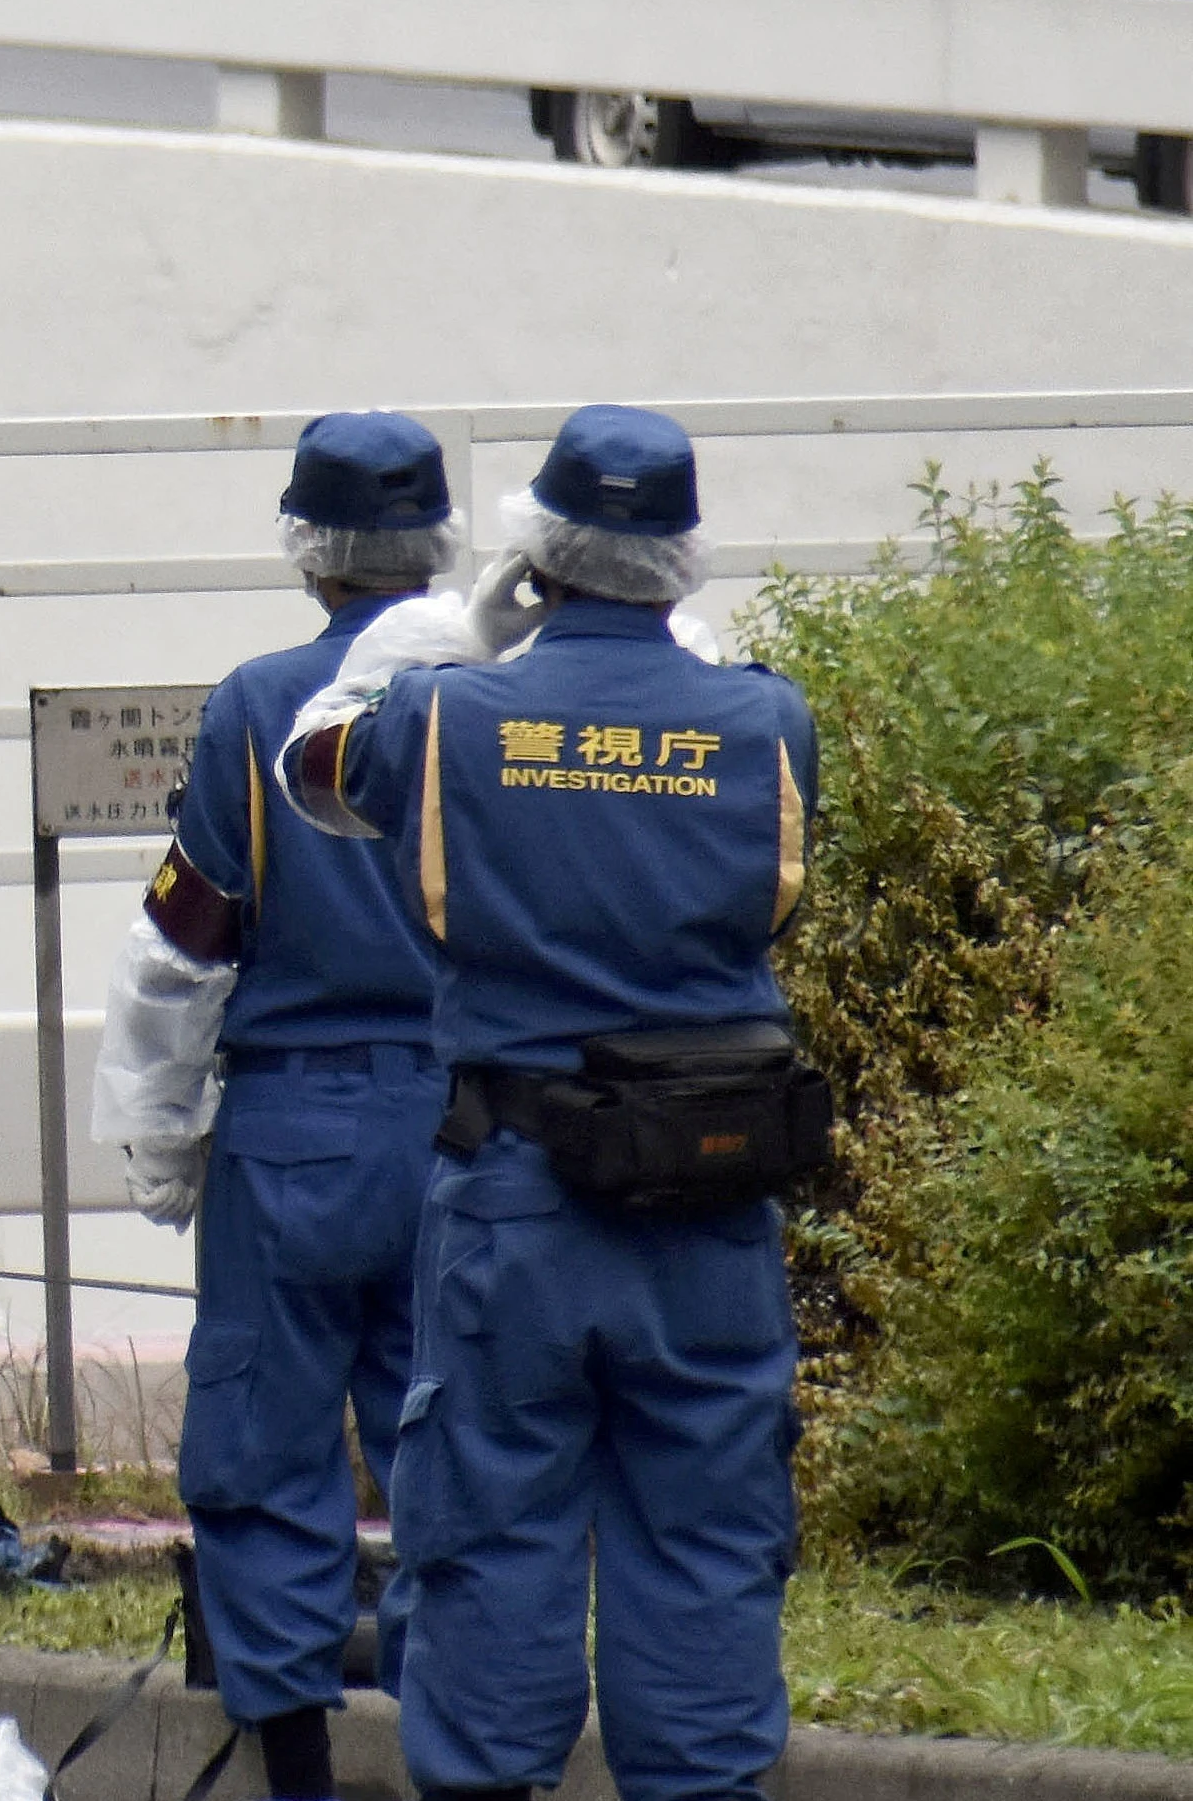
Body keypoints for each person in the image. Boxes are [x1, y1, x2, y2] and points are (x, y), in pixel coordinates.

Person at [275, 406, 815, 1801]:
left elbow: (315, 767)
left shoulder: (453, 716)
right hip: (711, 1198)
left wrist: (459, 629)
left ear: (536, 551)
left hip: (517, 1196)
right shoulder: (765, 721)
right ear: (683, 566)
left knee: (490, 1531)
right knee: (707, 1535)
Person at [92, 413, 458, 1801]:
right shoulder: (492, 701)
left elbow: (184, 948)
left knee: (263, 1450)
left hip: (292, 1133)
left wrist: (164, 1136)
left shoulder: (257, 707)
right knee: (460, 1455)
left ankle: (297, 1772)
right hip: (466, 1130)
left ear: (307, 548)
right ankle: (456, 1757)